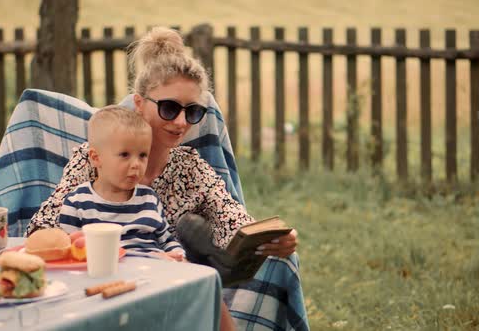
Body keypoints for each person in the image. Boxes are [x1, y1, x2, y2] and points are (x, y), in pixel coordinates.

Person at [25, 26, 305, 330]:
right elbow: (44, 229)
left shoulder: (190, 167)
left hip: (169, 297)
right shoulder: (93, 158)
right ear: (139, 103)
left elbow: (232, 221)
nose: (182, 122)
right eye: (170, 108)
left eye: (193, 111)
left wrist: (271, 239)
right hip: (97, 289)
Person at [58, 107, 184, 261]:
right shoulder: (77, 202)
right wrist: (147, 257)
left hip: (154, 274)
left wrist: (179, 256)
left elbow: (167, 241)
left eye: (143, 155)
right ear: (96, 158)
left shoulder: (149, 199)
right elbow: (72, 253)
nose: (136, 164)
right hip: (107, 272)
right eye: (125, 155)